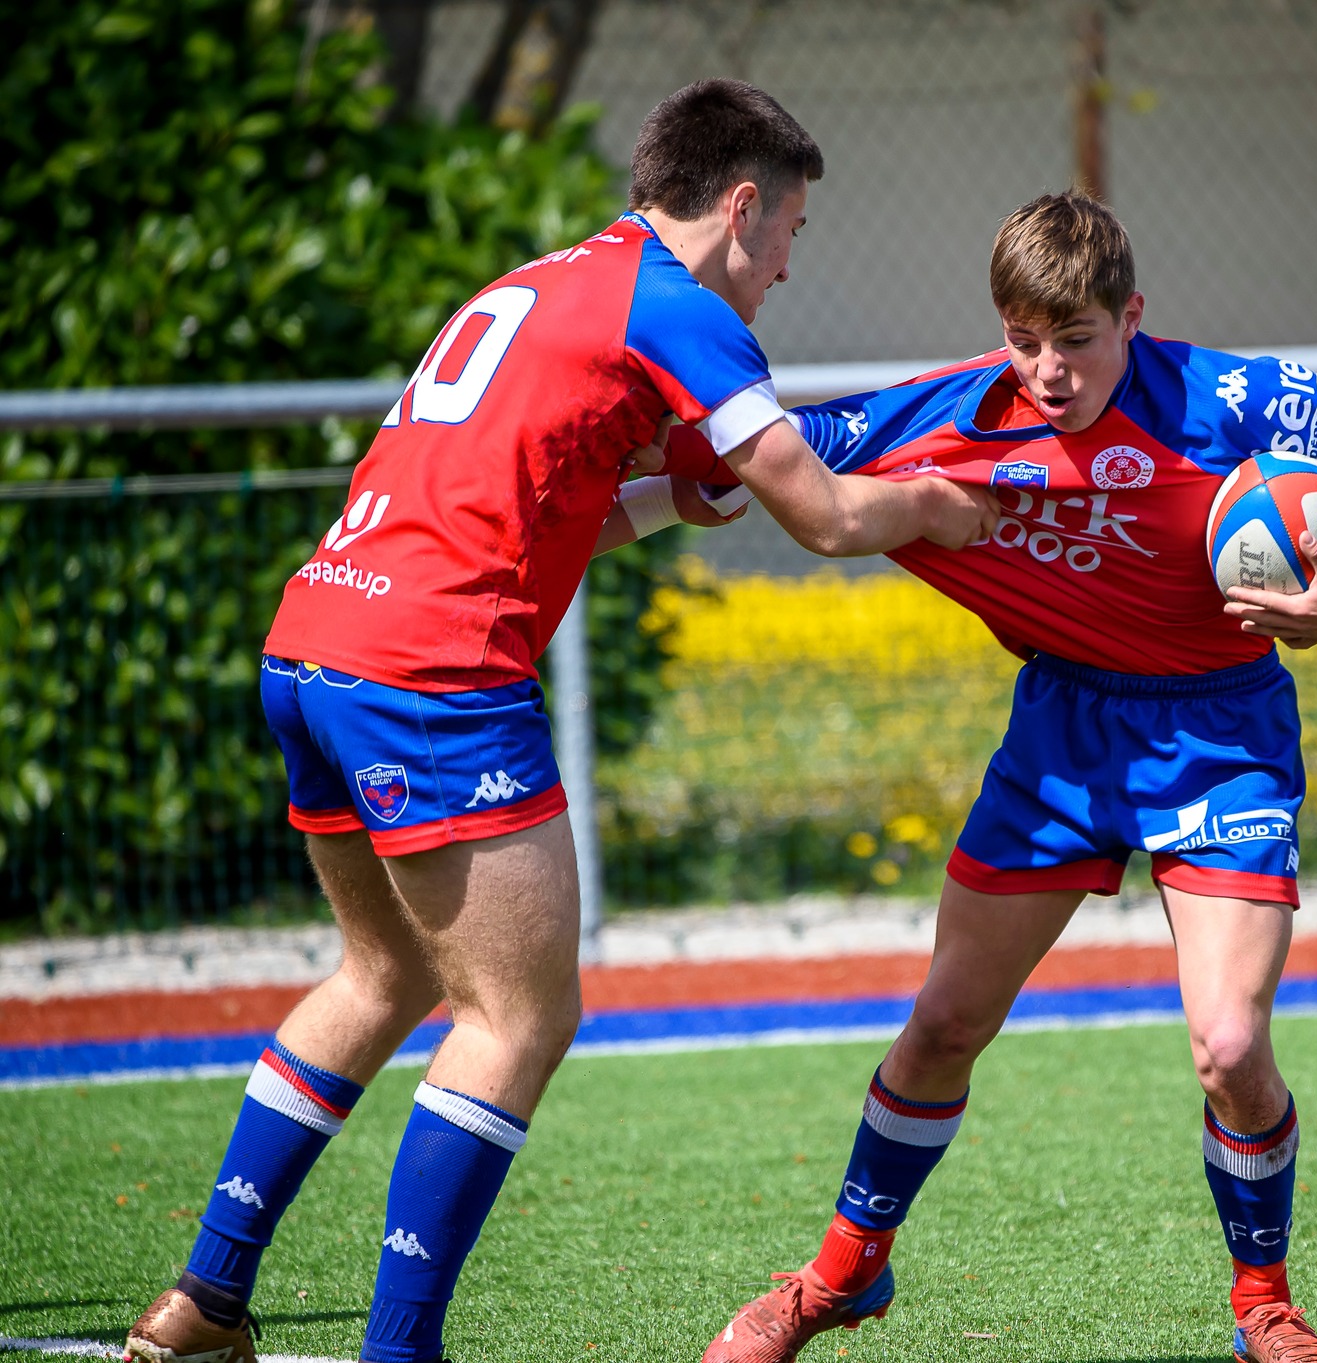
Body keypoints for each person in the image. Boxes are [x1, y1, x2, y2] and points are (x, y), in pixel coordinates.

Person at [122, 80, 996, 1363]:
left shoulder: (541, 281)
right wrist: (934, 504)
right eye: (793, 231)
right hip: (432, 676)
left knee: (382, 975)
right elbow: (821, 516)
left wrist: (667, 502)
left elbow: (541, 499)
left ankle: (201, 1302)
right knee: (518, 1018)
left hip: (316, 642)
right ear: (739, 206)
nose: (789, 268)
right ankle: (398, 1349)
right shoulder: (683, 308)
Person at [696, 192, 1317, 1363]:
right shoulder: (958, 409)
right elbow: (765, 457)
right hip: (1063, 732)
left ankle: (1264, 1307)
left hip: (1223, 730)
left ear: (1130, 317)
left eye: (1076, 339)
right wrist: (616, 479)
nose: (1047, 370)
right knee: (943, 1023)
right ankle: (839, 1277)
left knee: (1231, 1049)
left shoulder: (1228, 397)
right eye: (1022, 338)